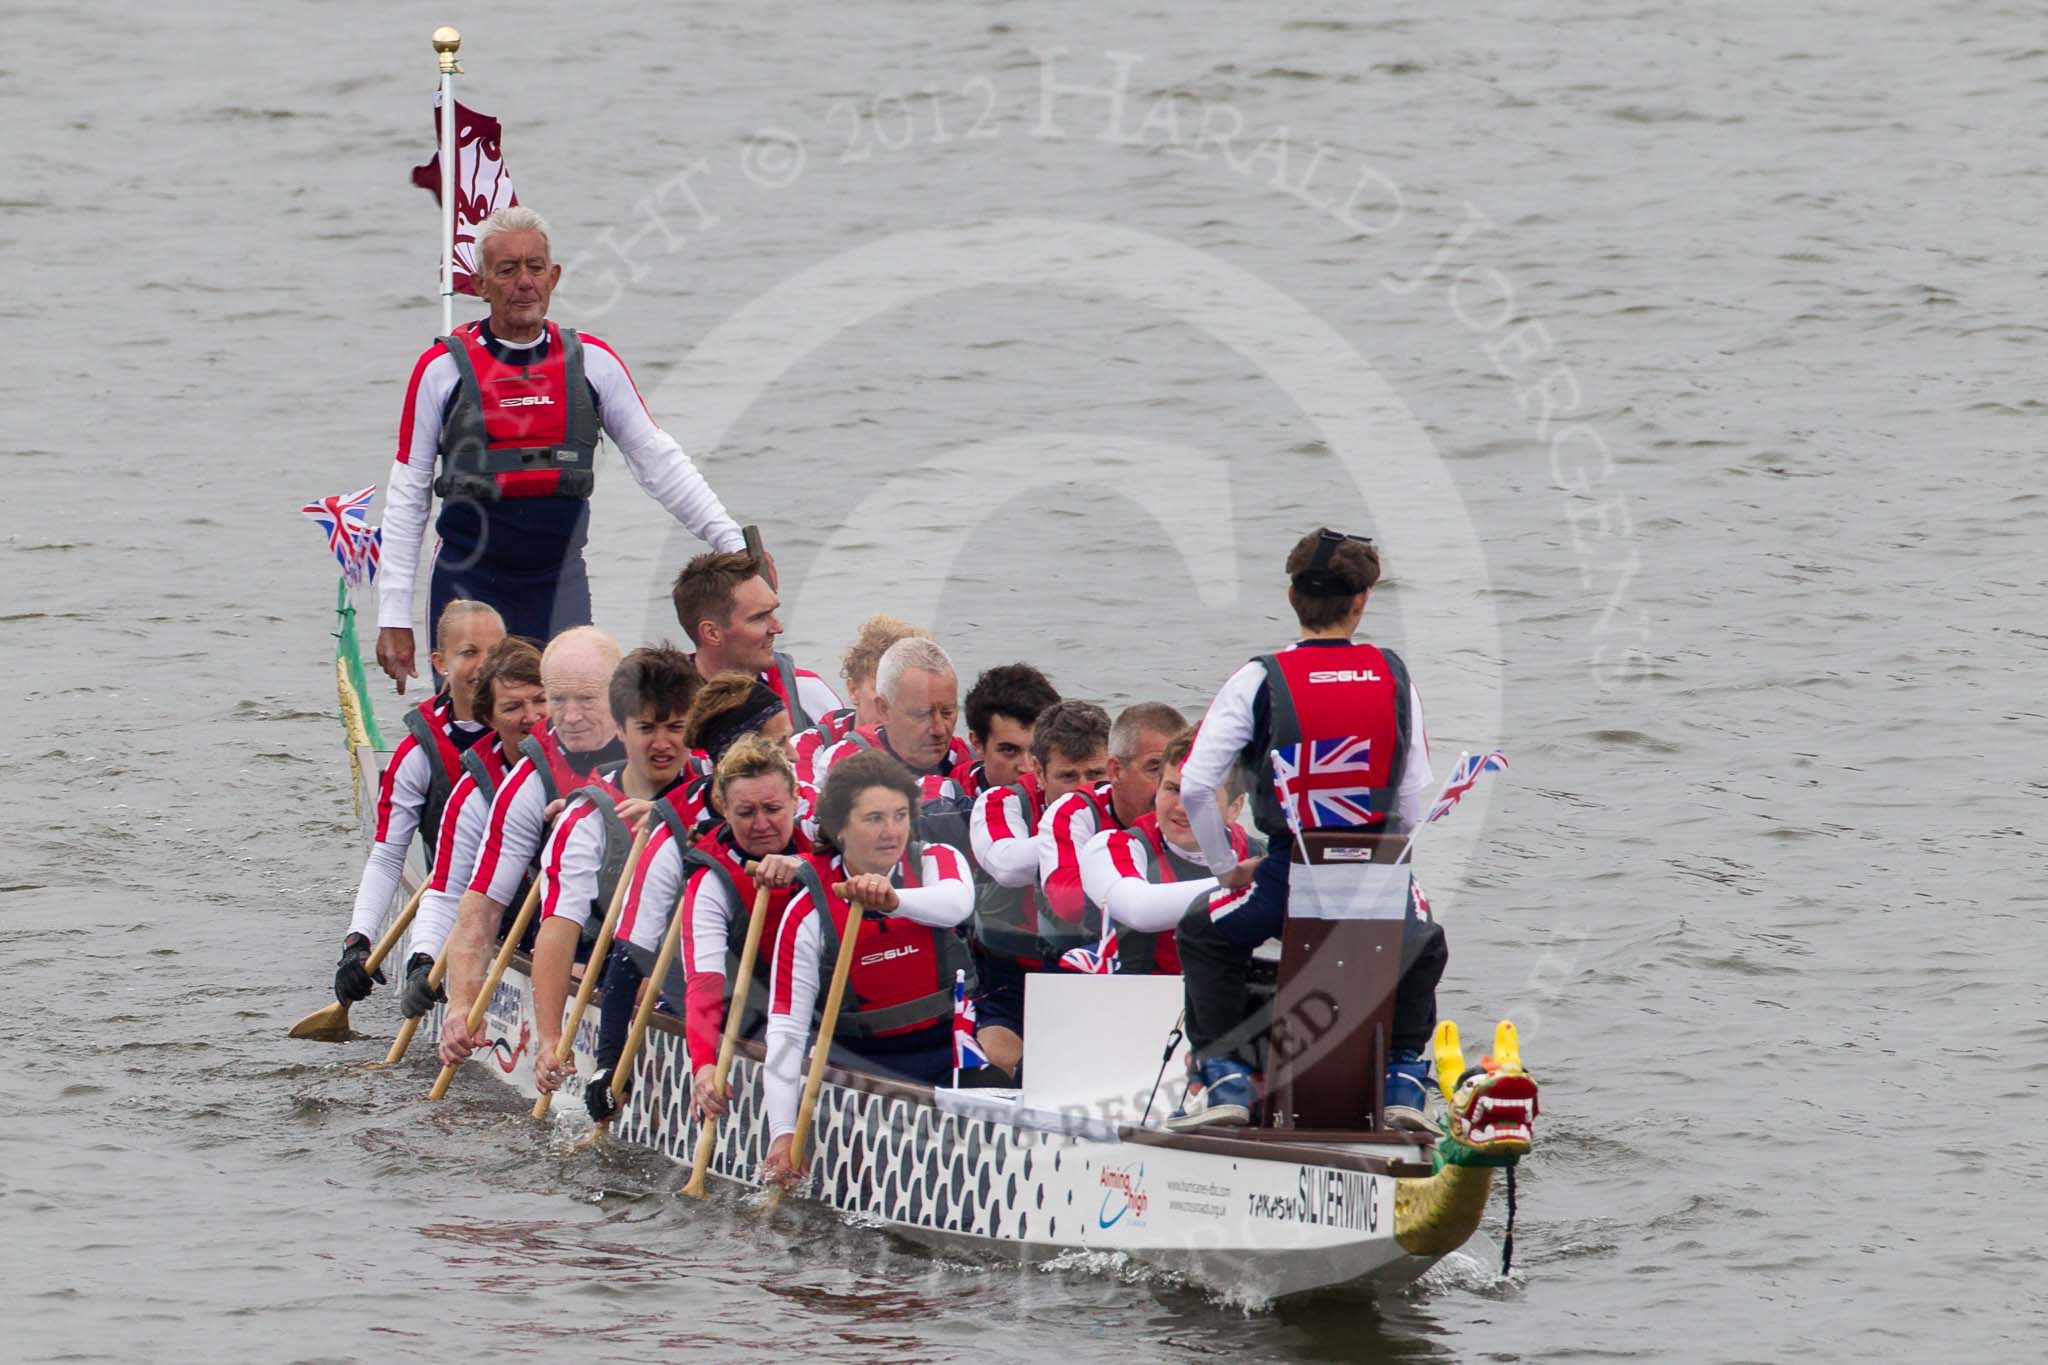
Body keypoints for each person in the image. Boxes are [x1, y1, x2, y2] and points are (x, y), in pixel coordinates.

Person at [375, 205, 748, 690]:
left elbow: (659, 462)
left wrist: (733, 545)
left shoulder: (593, 363)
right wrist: (393, 615)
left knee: (578, 723)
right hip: (466, 589)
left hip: (558, 583)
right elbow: (408, 493)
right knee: (474, 729)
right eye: (506, 270)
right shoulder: (439, 371)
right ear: (481, 285)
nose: (523, 282)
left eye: (534, 267)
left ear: (553, 277)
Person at [1168, 529, 1444, 1131]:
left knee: (1201, 931)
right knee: (1425, 940)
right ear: (1362, 601)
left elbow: (1194, 786)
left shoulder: (1258, 679)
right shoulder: (1396, 677)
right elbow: (1407, 796)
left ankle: (1226, 1083)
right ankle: (1402, 1081)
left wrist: (1225, 869)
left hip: (1288, 877)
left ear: (1292, 597)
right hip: (1378, 877)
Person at [761, 751, 974, 1186]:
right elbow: (786, 1031)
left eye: (900, 815)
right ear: (839, 827)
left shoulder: (935, 861)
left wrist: (894, 900)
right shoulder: (808, 914)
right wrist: (782, 1134)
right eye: (874, 818)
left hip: (949, 1056)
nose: (892, 832)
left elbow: (957, 902)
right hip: (864, 1074)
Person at [582, 733, 811, 1123]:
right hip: (741, 1011)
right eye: (745, 812)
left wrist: (808, 868)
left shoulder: (825, 841)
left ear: (796, 800)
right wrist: (703, 1065)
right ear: (724, 808)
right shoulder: (706, 879)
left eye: (773, 809)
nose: (761, 824)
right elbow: (702, 983)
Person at [438, 627, 629, 1065]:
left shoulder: (660, 742)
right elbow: (481, 909)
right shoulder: (527, 782)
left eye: (586, 700)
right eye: (559, 701)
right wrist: (462, 1004)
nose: (571, 716)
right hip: (576, 940)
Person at [529, 646, 700, 1096]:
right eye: (646, 728)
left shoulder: (720, 792)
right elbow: (559, 927)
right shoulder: (585, 819)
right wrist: (549, 1040)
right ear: (620, 731)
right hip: (620, 973)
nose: (662, 743)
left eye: (676, 728)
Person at [334, 600, 504, 1005]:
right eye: (468, 653)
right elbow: (389, 857)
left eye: (494, 654)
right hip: (456, 893)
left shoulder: (529, 731)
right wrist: (359, 942)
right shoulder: (418, 754)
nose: (483, 666)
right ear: (440, 662)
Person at [397, 637, 548, 1017]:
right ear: (489, 719)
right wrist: (423, 960)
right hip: (516, 925)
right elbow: (447, 892)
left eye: (541, 701)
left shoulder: (591, 760)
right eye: (513, 707)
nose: (532, 717)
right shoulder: (472, 797)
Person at [964, 700, 1112, 1077]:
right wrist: (1071, 836)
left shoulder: (1125, 804)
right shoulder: (1000, 802)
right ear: (1038, 773)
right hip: (1010, 984)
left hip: (1102, 980)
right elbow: (1008, 864)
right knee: (1006, 1063)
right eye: (1068, 777)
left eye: (1095, 774)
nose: (1084, 791)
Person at [1079, 732, 1257, 975]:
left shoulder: (1256, 853)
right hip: (1127, 1000)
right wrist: (1247, 880)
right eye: (1173, 789)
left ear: (1235, 808)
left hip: (1220, 998)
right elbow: (1138, 910)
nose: (1182, 807)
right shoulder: (1109, 847)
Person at [1037, 701, 1186, 928]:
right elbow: (1069, 905)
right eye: (1155, 769)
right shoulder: (1074, 812)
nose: (1169, 785)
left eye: (1182, 772)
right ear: (1115, 771)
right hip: (1082, 948)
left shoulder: (1198, 808)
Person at [671, 550, 840, 731]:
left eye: (773, 611)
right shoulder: (662, 709)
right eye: (760, 617)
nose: (778, 627)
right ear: (712, 633)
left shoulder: (807, 692)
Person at [807, 637, 972, 799]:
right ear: (884, 710)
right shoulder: (846, 763)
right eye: (922, 714)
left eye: (947, 712)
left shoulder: (969, 759)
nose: (939, 730)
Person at [792, 614, 930, 784]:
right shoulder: (806, 746)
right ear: (853, 690)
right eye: (881, 688)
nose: (892, 704)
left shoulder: (937, 747)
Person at [666, 673, 799, 836]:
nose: (795, 756)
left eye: (772, 809)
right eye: (779, 743)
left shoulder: (810, 809)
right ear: (733, 755)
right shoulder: (671, 823)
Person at [958, 662, 1061, 796]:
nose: (1028, 768)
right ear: (978, 744)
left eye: (1038, 751)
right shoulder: (948, 804)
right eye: (1009, 750)